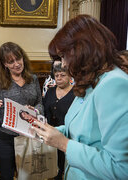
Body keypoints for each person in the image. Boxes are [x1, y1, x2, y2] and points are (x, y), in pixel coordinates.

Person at [33, 15, 128, 180]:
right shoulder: (92, 81)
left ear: (82, 49)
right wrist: (51, 130)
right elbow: (83, 132)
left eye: (63, 56)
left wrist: (63, 144)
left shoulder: (113, 84)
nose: (62, 64)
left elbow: (121, 168)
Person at [0, 42, 43, 180]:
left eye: (18, 59)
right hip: (4, 138)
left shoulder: (32, 79)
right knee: (7, 176)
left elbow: (40, 102)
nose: (17, 64)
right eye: (11, 61)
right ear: (5, 64)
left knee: (29, 176)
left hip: (29, 136)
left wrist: (36, 111)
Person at [43, 63, 75, 179]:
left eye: (63, 75)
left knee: (64, 165)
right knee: (51, 164)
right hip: (50, 134)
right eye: (57, 76)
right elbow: (45, 109)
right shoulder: (50, 91)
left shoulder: (75, 92)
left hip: (68, 136)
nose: (59, 78)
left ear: (70, 76)